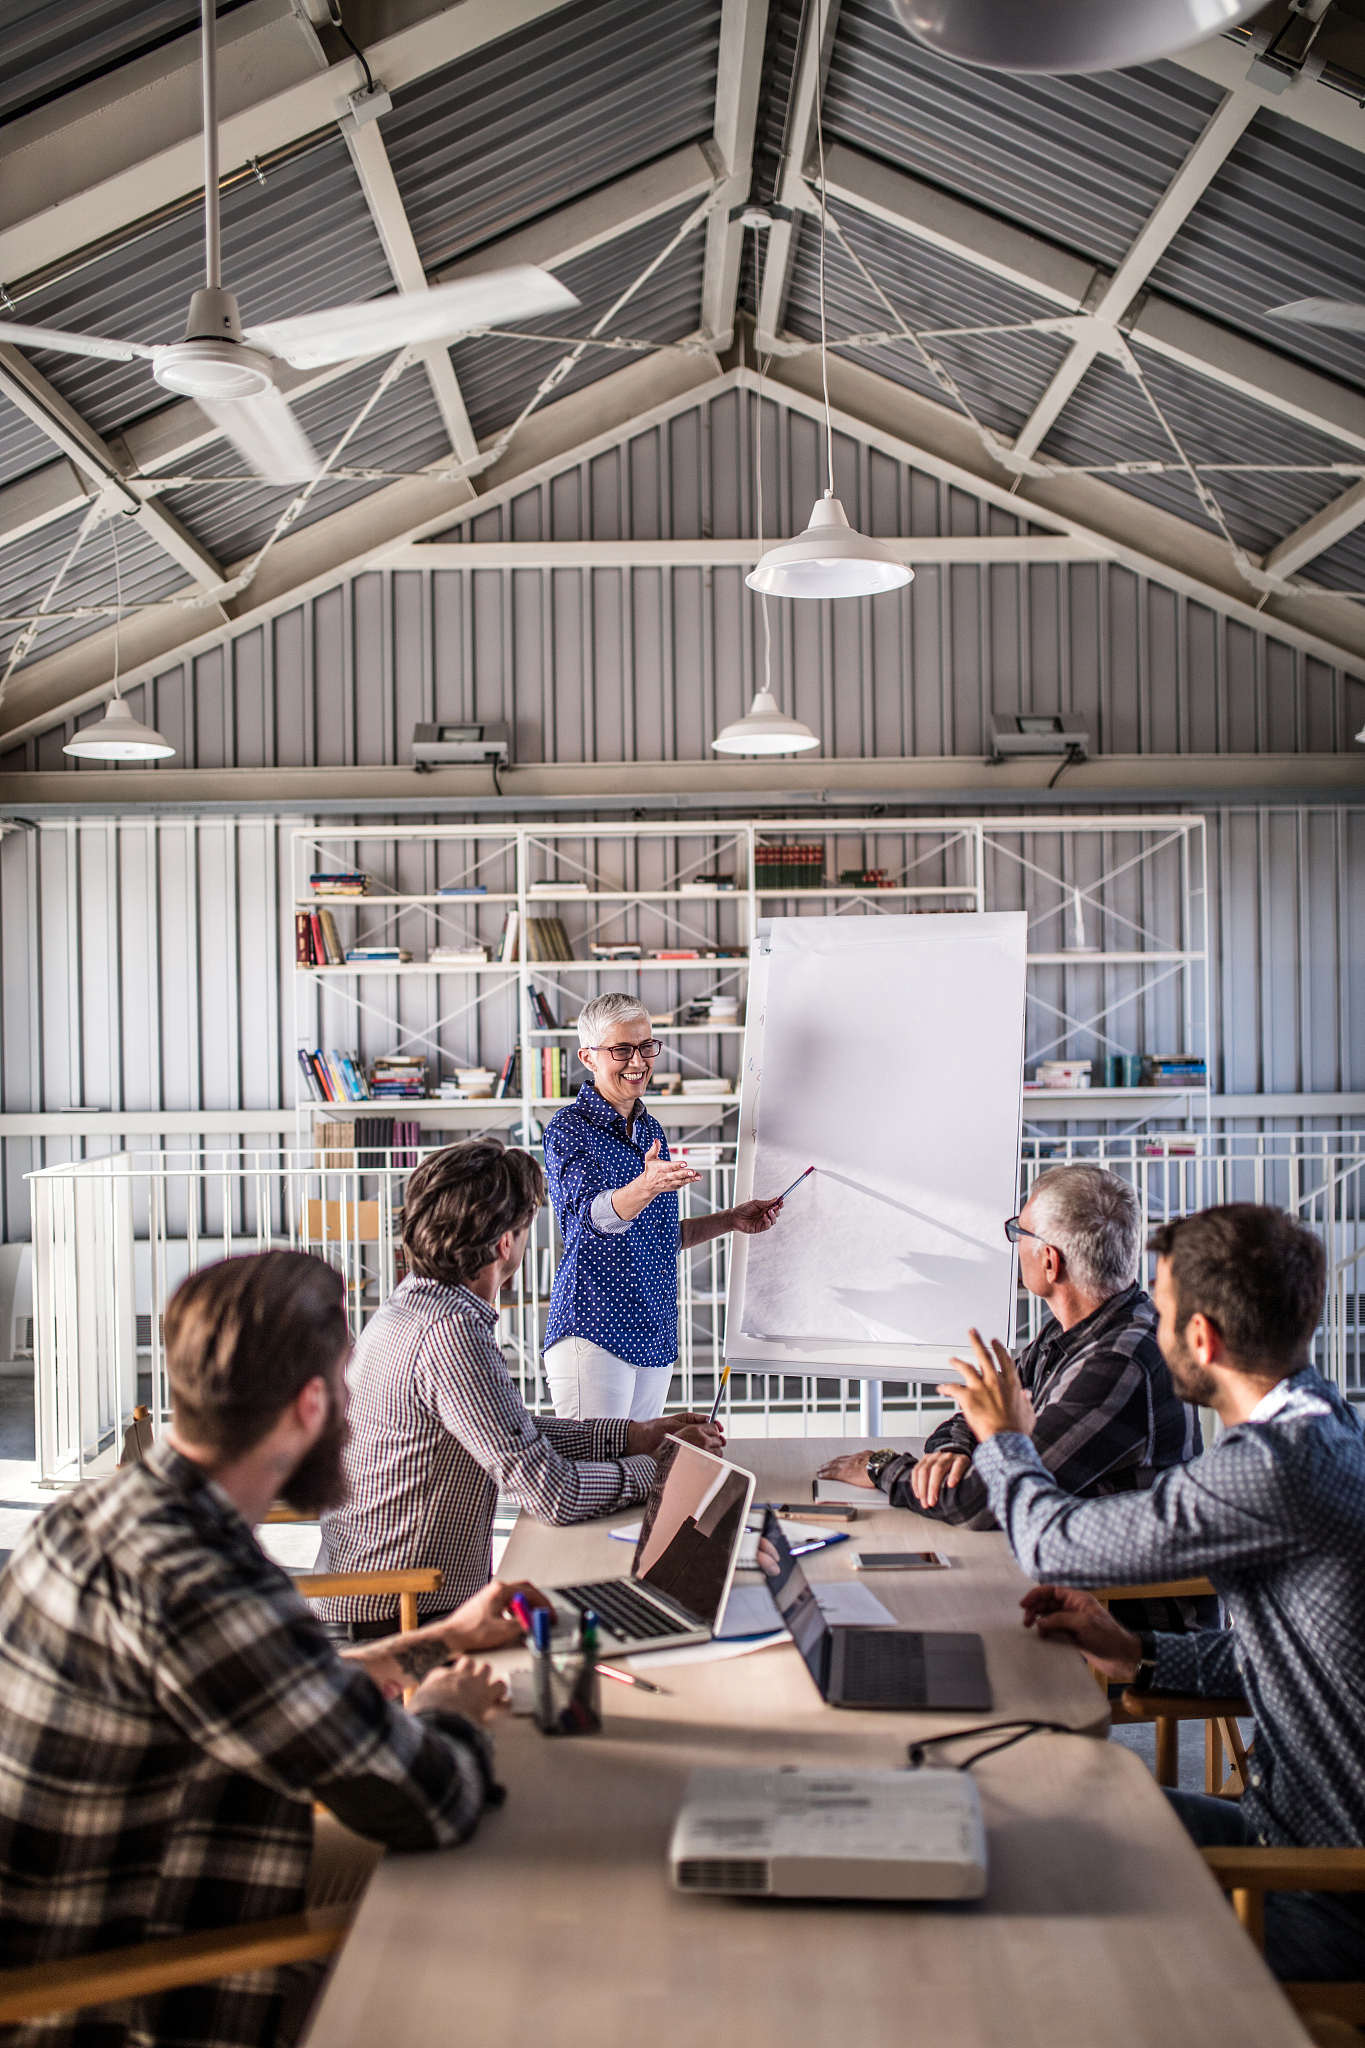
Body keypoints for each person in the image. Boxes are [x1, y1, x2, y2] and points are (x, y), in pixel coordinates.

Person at [0, 1251, 520, 2048]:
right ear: (311, 1404)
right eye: (348, 1386)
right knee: (479, 1896)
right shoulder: (208, 1586)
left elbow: (269, 1681)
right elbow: (430, 1801)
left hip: (92, 1896)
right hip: (118, 1992)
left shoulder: (97, 1514)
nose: (356, 1408)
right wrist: (450, 1708)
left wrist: (441, 1641)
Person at [937, 1203, 1365, 1986]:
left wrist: (1004, 1439)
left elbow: (1047, 1542)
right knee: (1040, 1811)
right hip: (1288, 1837)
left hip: (1324, 1893)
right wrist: (1136, 1652)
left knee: (1020, 1899)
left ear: (1201, 1341)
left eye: (1160, 1315)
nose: (1149, 1328)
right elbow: (1299, 1662)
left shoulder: (1274, 1466)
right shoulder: (1323, 1419)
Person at [318, 1137, 722, 1636]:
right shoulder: (451, 1333)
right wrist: (660, 1467)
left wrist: (634, 1436)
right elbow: (552, 1494)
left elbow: (508, 1430)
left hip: (383, 1599)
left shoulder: (412, 1308)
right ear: (506, 1243)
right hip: (399, 1615)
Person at [817, 1167, 1203, 1625]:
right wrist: (956, 1450)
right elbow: (978, 1413)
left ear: (1049, 1261)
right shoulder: (1076, 1330)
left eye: (1019, 1232)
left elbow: (986, 1500)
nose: (1014, 1242)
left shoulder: (1118, 1362)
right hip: (1057, 1578)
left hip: (1117, 1625)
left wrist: (881, 1466)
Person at [541, 991, 783, 1420]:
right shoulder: (569, 1127)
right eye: (621, 1050)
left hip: (653, 1330)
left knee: (639, 1472)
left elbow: (659, 1237)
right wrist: (646, 1186)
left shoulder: (650, 1127)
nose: (638, 1062)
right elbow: (589, 1219)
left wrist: (730, 1219)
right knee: (598, 1474)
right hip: (594, 1329)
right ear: (588, 1057)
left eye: (646, 1047)